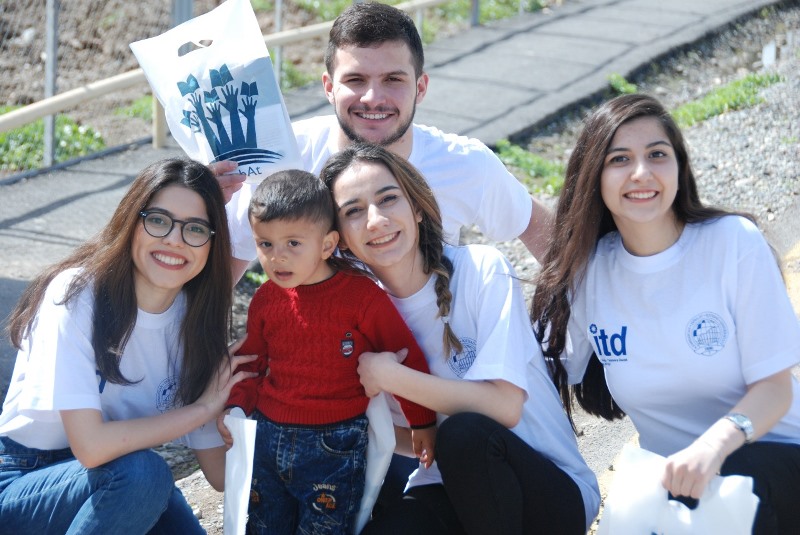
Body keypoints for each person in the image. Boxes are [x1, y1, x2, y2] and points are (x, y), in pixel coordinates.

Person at [530, 93, 800, 534]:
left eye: (657, 154)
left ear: (679, 167)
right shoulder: (589, 273)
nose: (642, 172)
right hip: (675, 486)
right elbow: (534, 374)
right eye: (619, 159)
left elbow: (775, 389)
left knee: (732, 482)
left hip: (775, 460)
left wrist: (712, 447)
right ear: (593, 176)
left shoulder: (733, 242)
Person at [319, 143, 600, 534]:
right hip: (446, 486)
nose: (376, 220)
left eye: (388, 199)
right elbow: (398, 437)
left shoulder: (481, 270)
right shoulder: (354, 317)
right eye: (353, 211)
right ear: (340, 239)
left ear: (417, 207)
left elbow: (505, 407)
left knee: (464, 434)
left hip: (547, 490)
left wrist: (392, 377)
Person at [0, 158, 257, 534]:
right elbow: (91, 447)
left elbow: (219, 476)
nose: (174, 240)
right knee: (146, 474)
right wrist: (202, 408)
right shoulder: (77, 294)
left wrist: (243, 423)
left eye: (195, 229)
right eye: (159, 220)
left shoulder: (197, 323)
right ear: (130, 223)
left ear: (211, 245)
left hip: (120, 479)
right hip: (24, 482)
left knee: (146, 480)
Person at [218, 1, 553, 283]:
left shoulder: (465, 163)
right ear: (329, 87)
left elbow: (550, 240)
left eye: (393, 79)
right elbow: (225, 275)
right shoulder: (282, 157)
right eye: (355, 79)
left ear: (420, 88)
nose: (373, 98)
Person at [217, 169, 437, 534]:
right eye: (265, 244)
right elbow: (251, 363)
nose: (277, 257)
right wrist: (236, 406)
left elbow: (405, 355)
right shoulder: (266, 299)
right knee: (263, 526)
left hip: (336, 445)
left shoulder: (361, 297)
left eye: (293, 243)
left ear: (326, 244)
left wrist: (423, 421)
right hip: (268, 436)